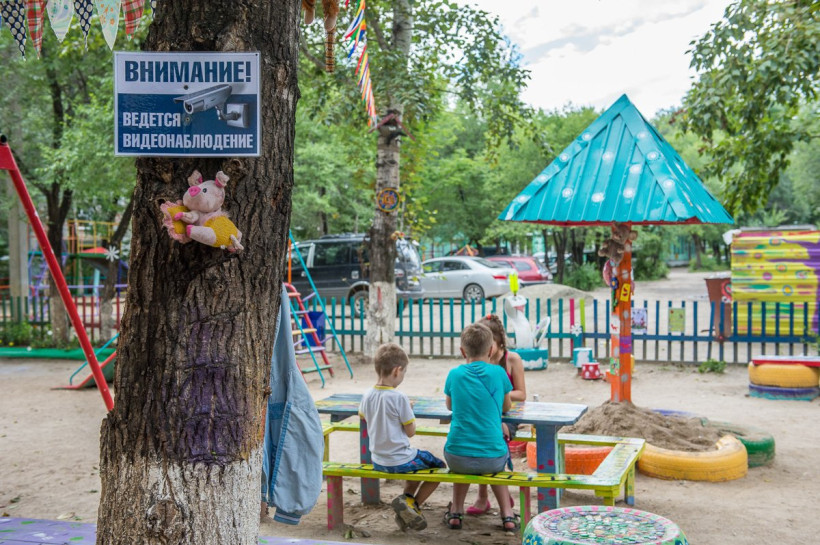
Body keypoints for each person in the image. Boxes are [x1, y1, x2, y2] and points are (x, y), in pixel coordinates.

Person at [358, 342, 445, 532]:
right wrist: (408, 410)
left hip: (378, 460)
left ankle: (406, 507)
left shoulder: (367, 395)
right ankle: (413, 506)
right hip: (399, 459)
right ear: (397, 371)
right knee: (439, 467)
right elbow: (410, 431)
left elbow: (363, 416)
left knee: (416, 469)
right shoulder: (399, 398)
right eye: (404, 372)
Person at [443, 323, 518, 535]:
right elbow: (506, 406)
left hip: (457, 457)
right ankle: (507, 515)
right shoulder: (499, 373)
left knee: (463, 454)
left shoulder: (454, 374)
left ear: (462, 351)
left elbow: (450, 406)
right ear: (491, 350)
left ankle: (456, 512)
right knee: (497, 461)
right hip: (492, 458)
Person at [467, 314, 527, 516]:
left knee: (493, 437)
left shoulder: (512, 359)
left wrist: (496, 393)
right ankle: (487, 497)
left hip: (508, 415)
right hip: (484, 414)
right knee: (474, 437)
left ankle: (488, 496)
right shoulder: (476, 359)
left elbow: (521, 394)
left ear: (498, 341)